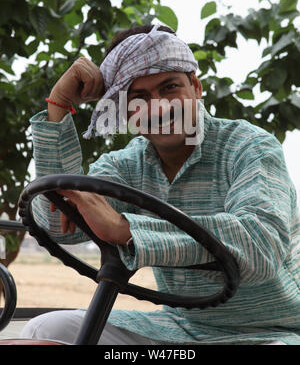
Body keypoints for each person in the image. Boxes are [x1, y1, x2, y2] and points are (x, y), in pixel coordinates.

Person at [21, 24, 300, 345]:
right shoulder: (125, 166)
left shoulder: (249, 146)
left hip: (274, 333)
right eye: (138, 97)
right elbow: (58, 225)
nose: (158, 107)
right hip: (177, 326)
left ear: (196, 86)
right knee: (45, 330)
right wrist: (58, 104)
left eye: (169, 88)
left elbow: (260, 244)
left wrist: (127, 230)